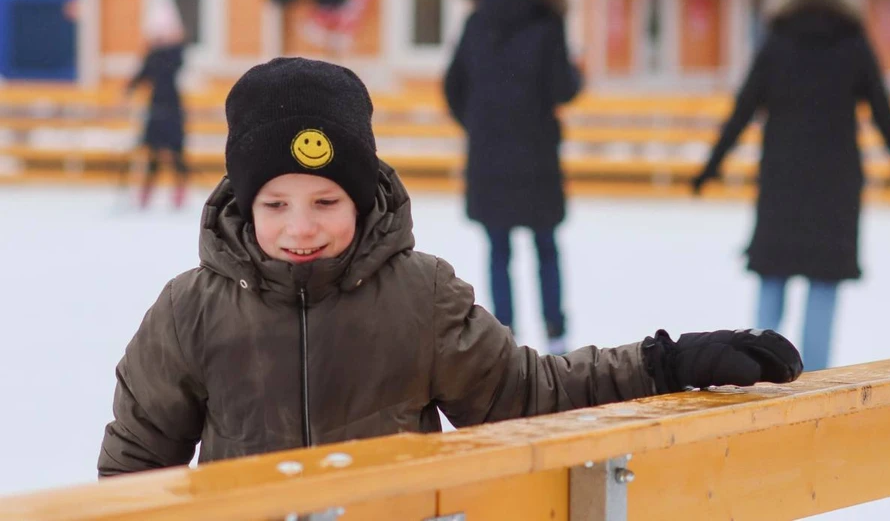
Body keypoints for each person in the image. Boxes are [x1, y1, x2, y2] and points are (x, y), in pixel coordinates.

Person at [98, 57, 803, 476]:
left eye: (325, 198)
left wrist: (668, 362)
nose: (300, 226)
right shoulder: (190, 310)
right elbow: (136, 467)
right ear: (244, 203)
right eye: (275, 202)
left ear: (364, 195)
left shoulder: (419, 296)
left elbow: (529, 393)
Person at [692, 0, 890, 371]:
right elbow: (884, 111)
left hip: (782, 180)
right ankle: (814, 379)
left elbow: (743, 107)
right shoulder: (852, 41)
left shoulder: (777, 40)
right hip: (836, 183)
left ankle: (756, 370)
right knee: (824, 279)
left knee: (772, 275)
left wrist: (712, 164)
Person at [444, 0, 580, 354]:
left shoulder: (477, 17)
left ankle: (505, 334)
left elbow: (453, 85)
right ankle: (556, 334)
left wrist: (480, 127)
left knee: (497, 249)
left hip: (488, 154)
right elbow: (562, 86)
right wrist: (577, 74)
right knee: (545, 247)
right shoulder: (548, 19)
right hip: (536, 153)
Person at [125, 2, 188, 209]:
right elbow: (142, 75)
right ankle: (145, 194)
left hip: (172, 108)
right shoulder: (152, 55)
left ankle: (179, 193)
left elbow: (174, 64)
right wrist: (130, 87)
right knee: (152, 154)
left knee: (176, 154)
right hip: (156, 108)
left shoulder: (174, 53)